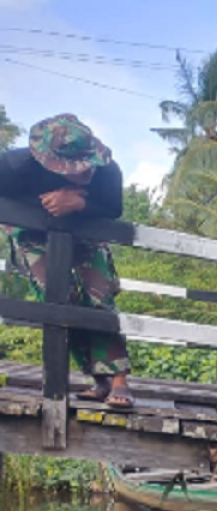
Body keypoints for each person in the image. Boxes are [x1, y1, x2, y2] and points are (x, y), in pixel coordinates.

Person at [0, 113, 135, 407]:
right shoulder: (12, 166)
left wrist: (81, 203)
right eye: (76, 166)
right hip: (31, 231)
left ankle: (119, 379)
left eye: (89, 161)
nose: (86, 169)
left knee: (98, 295)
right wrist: (47, 203)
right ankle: (97, 378)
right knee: (59, 299)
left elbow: (113, 207)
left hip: (86, 226)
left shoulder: (108, 170)